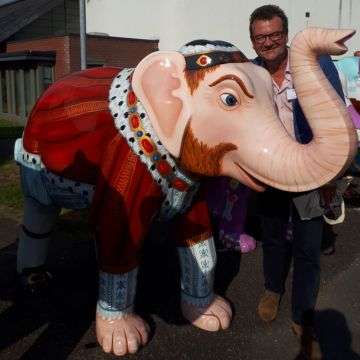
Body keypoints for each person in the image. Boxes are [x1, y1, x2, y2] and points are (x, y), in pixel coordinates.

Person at [249, 5, 345, 359]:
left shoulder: (316, 66)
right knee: (273, 238)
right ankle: (272, 288)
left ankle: (302, 316)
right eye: (261, 37)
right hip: (272, 169)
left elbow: (336, 115)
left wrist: (331, 173)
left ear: (286, 35)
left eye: (274, 34)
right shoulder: (251, 72)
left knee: (307, 247)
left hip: (309, 169)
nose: (268, 42)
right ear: (253, 40)